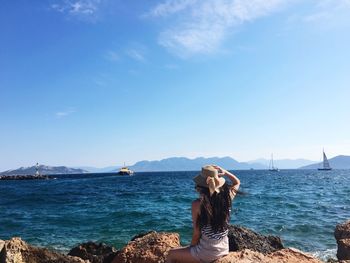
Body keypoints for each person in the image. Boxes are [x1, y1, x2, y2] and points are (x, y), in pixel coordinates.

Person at [166, 165, 240, 263]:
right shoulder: (227, 199)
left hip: (207, 253)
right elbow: (237, 182)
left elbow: (197, 234)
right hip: (223, 249)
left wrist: (191, 247)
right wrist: (225, 172)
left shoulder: (197, 205)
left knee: (171, 254)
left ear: (199, 188)